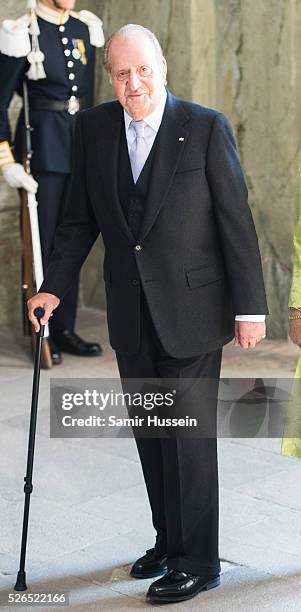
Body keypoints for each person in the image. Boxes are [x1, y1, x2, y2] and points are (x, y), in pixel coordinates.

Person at [28, 24, 268, 604]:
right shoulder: (93, 129)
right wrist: (53, 287)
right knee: (152, 434)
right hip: (132, 311)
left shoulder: (205, 127)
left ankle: (200, 561)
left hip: (193, 308)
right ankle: (169, 542)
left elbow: (236, 222)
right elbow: (78, 219)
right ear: (110, 77)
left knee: (186, 440)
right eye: (121, 73)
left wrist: (250, 308)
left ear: (163, 66)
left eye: (143, 70)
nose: (133, 84)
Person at [0, 0, 105, 364]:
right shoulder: (23, 31)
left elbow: (88, 99)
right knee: (43, 244)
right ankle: (40, 331)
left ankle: (64, 328)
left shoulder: (83, 28)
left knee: (72, 239)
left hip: (81, 150)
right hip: (42, 155)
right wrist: (7, 160)